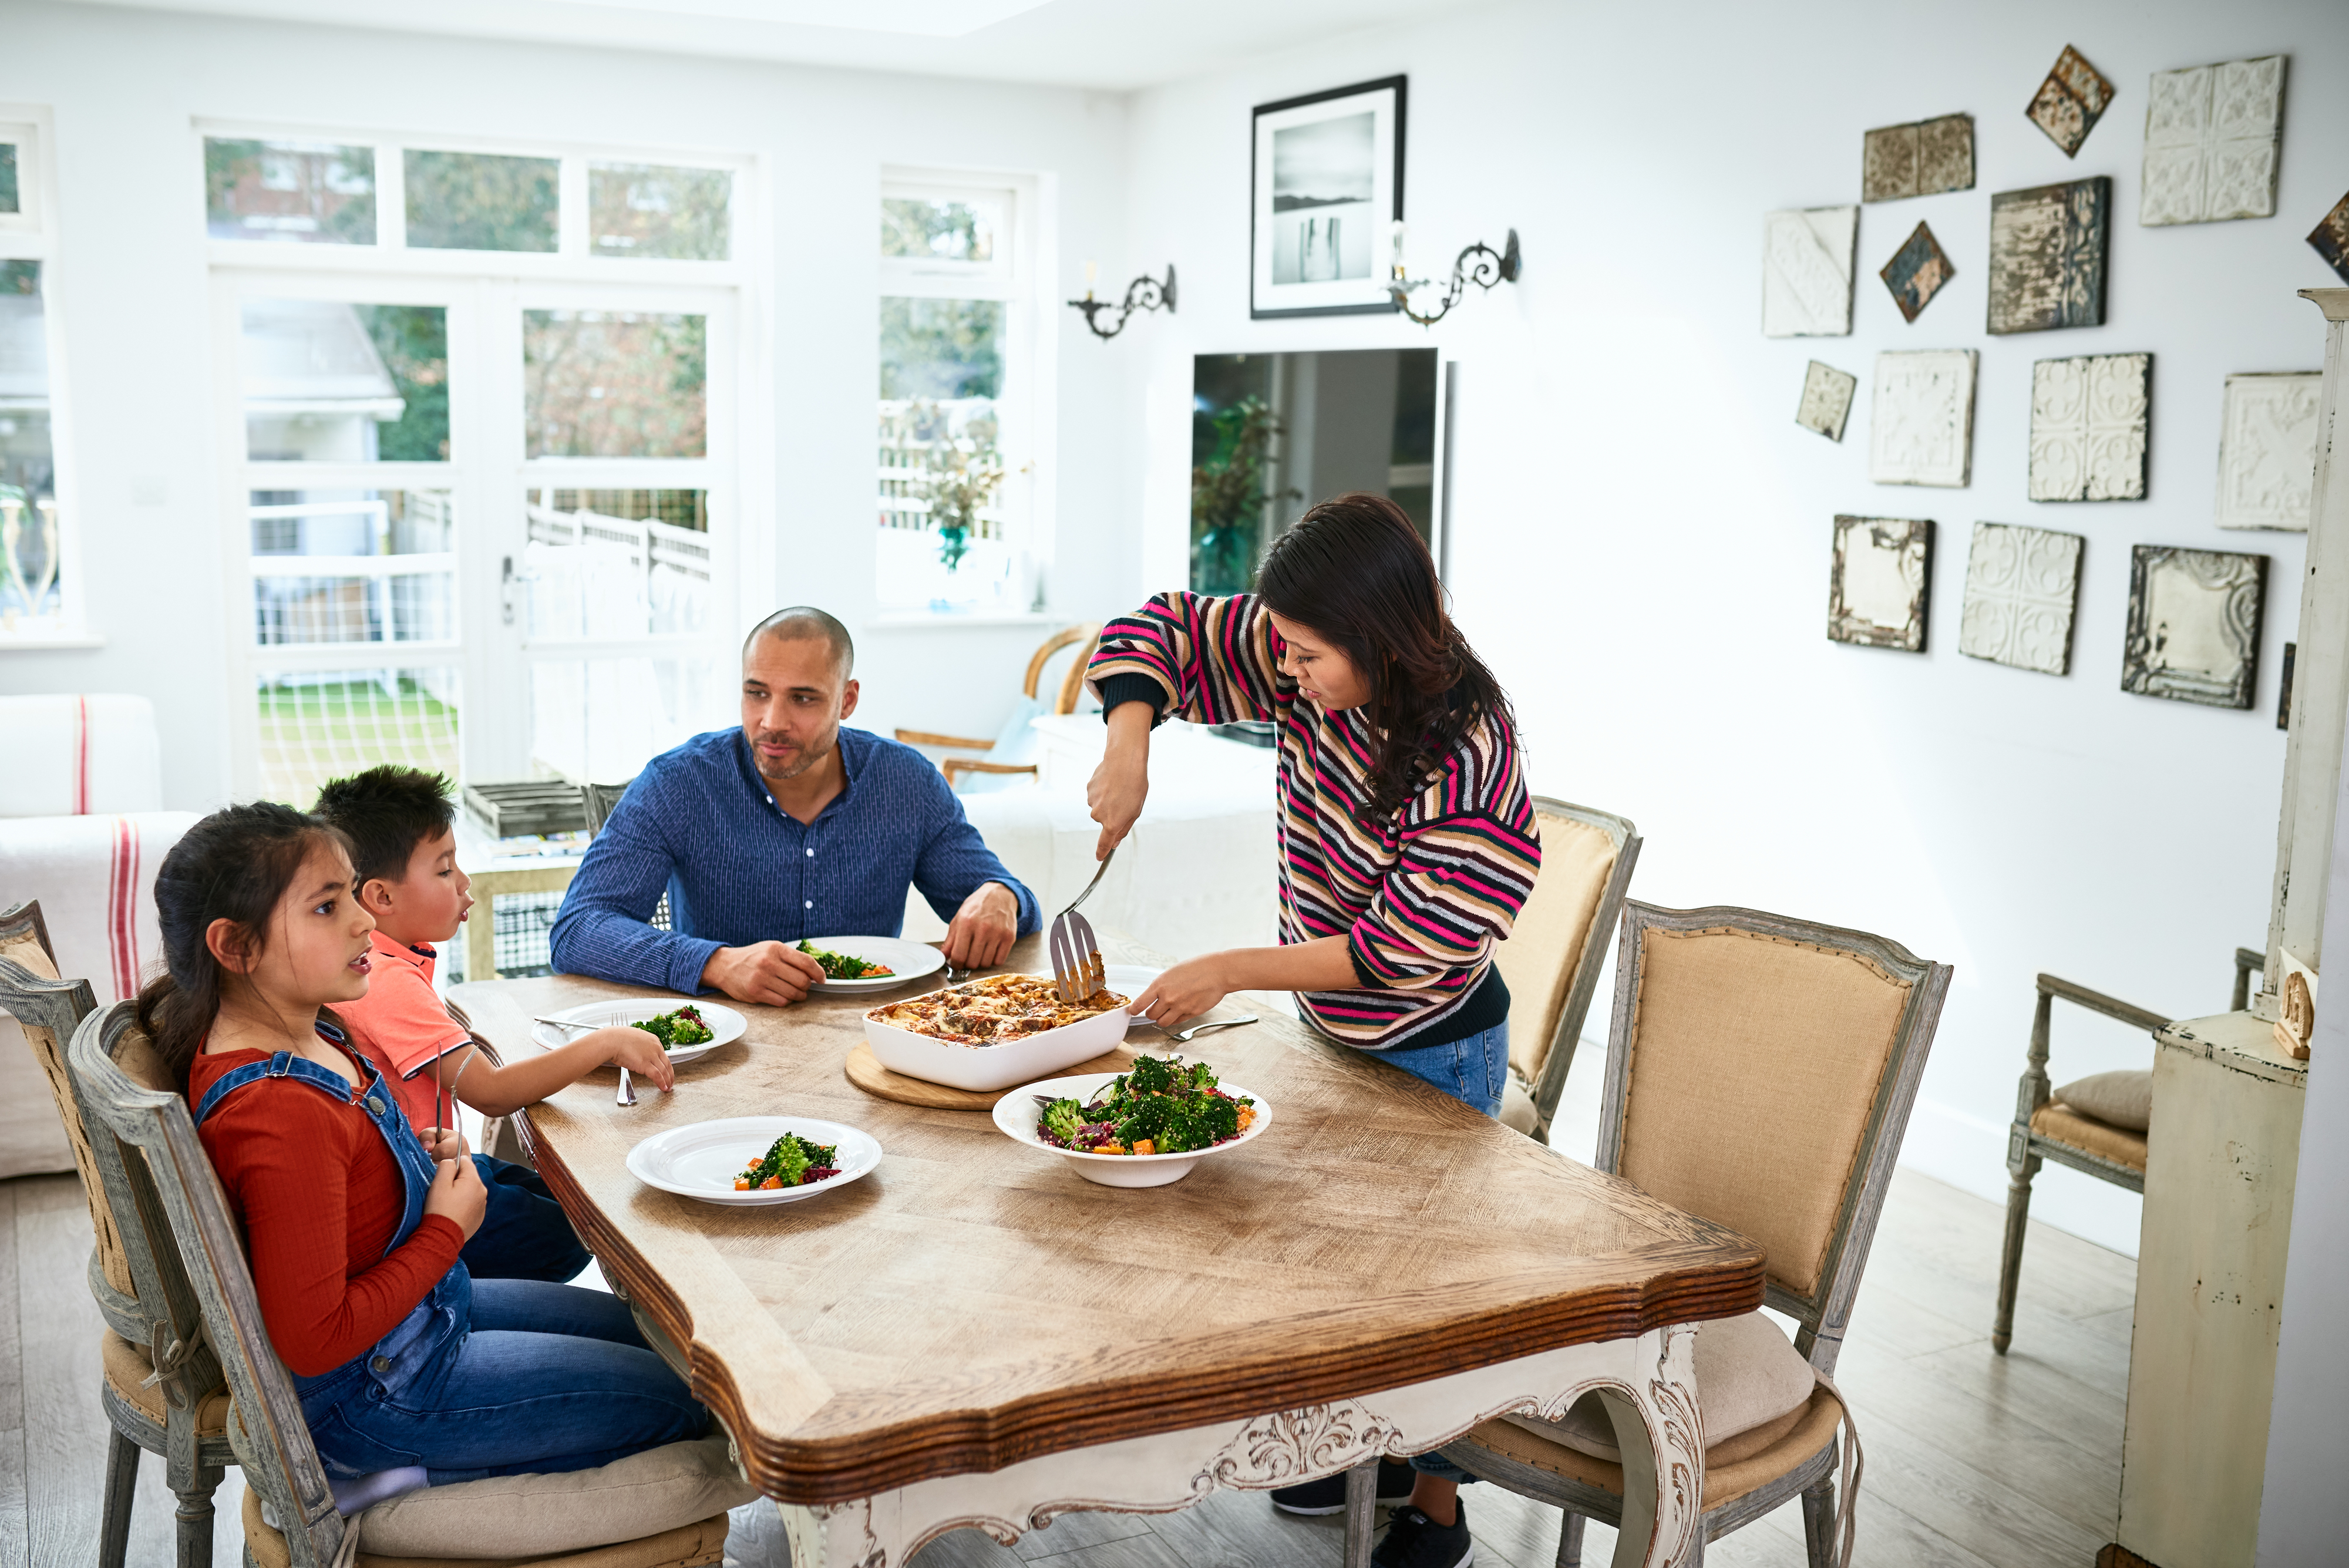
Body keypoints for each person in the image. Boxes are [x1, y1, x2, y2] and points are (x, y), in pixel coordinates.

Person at [1085, 492, 1542, 1568]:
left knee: (1428, 1291)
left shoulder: (1470, 753)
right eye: (1279, 651)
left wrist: (1231, 966)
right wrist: (1130, 739)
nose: (1284, 673)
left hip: (1434, 1039)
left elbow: (1392, 948)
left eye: (1305, 657)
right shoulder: (1305, 653)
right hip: (1330, 1025)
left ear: (1380, 639)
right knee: (1337, 1267)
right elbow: (1159, 630)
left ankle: (1437, 1505)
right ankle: (1362, 1455)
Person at [143, 803, 708, 1482]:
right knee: (687, 1402)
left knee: (676, 1346)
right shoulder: (278, 1109)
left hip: (426, 1316)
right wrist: (446, 1230)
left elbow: (337, 1187)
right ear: (235, 947)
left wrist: (403, 1162)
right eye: (326, 908)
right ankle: (410, 1480)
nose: (362, 919)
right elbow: (313, 1339)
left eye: (353, 893)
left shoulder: (308, 1028)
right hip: (384, 1389)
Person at [550, 606, 1041, 1002]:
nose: (771, 721)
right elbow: (578, 930)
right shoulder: (679, 783)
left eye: (803, 699)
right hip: (725, 1049)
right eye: (756, 693)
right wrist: (717, 963)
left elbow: (1002, 903)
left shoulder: (906, 782)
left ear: (847, 701)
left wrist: (1002, 896)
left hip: (874, 1044)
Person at [314, 764, 677, 1284]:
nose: (465, 884)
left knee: (567, 1196)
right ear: (381, 898)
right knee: (575, 1230)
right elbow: (490, 1092)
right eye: (444, 871)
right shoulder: (386, 979)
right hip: (414, 1201)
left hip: (430, 1162)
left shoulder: (385, 962)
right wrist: (605, 1044)